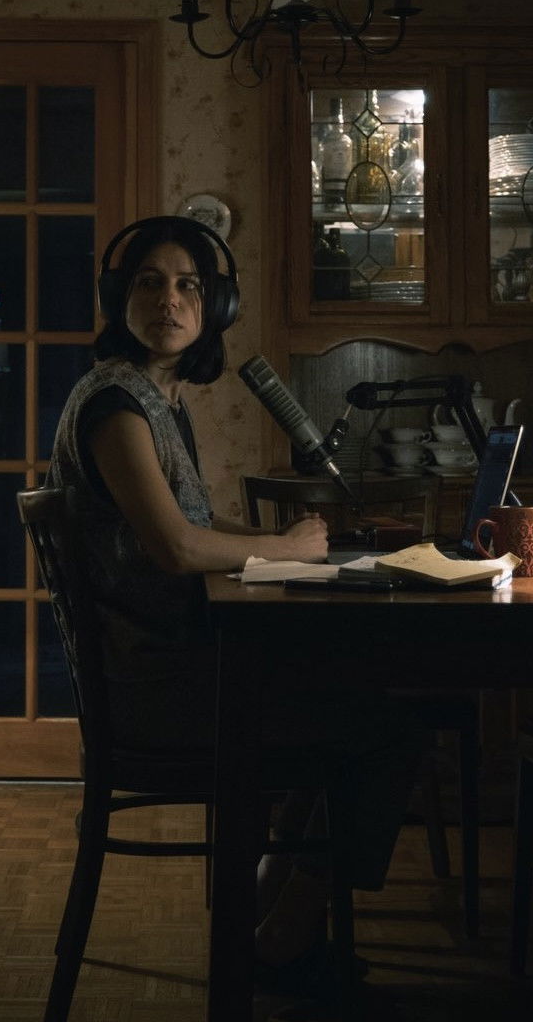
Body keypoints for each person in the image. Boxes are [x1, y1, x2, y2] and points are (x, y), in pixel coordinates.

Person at [47, 215, 425, 985]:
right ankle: (285, 938)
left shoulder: (157, 399)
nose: (169, 300)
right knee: (387, 729)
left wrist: (272, 538)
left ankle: (269, 917)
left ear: (213, 307)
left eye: (188, 285)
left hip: (173, 670)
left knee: (350, 699)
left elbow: (192, 521)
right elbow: (177, 549)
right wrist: (287, 551)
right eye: (149, 282)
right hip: (158, 692)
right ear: (119, 298)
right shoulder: (115, 409)